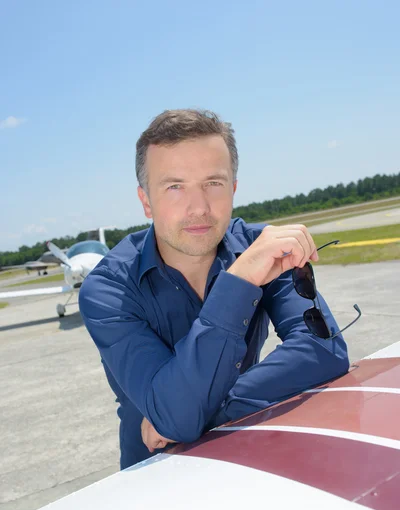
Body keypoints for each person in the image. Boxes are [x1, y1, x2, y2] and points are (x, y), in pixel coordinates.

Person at [79, 109, 350, 469]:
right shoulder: (108, 289)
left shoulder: (261, 247)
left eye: (214, 183)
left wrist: (207, 408)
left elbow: (324, 349)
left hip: (248, 443)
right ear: (146, 200)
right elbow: (176, 417)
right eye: (175, 186)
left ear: (233, 188)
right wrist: (239, 283)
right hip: (156, 470)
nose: (199, 207)